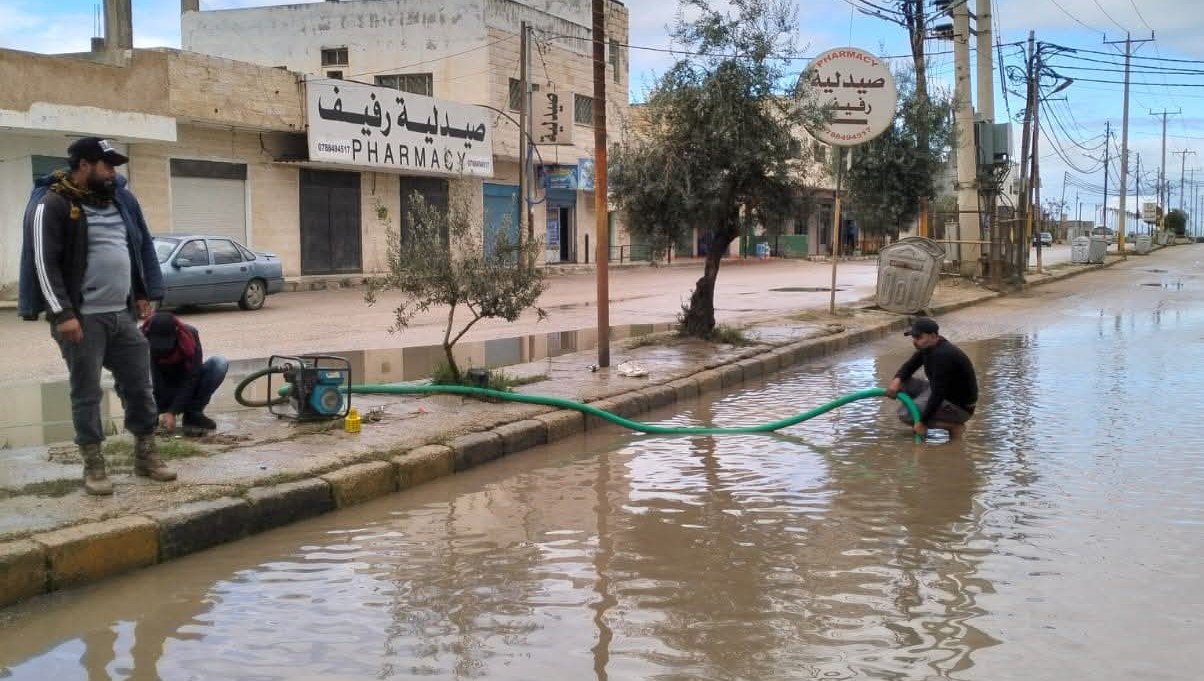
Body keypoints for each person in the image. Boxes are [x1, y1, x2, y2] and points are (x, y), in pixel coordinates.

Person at [17, 137, 176, 495]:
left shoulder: (120, 200)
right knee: (87, 392)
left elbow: (138, 246)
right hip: (81, 318)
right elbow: (44, 262)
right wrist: (62, 313)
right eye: (107, 165)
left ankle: (145, 454)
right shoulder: (54, 203)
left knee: (139, 384)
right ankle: (94, 464)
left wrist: (141, 292)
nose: (113, 172)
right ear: (84, 166)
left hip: (120, 314)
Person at [885, 317, 978, 441]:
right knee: (902, 384)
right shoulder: (928, 347)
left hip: (959, 406)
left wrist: (922, 421)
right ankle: (921, 417)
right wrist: (896, 380)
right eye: (913, 337)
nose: (915, 341)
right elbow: (910, 366)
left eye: (918, 337)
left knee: (906, 414)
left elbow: (938, 394)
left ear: (933, 336)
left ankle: (954, 427)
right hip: (940, 392)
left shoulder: (943, 356)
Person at [142, 312, 228, 434]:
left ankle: (193, 414)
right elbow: (128, 381)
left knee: (219, 363)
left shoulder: (190, 336)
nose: (162, 350)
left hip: (184, 386)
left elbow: (193, 377)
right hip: (157, 392)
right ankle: (151, 416)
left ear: (176, 333)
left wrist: (173, 411)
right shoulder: (140, 339)